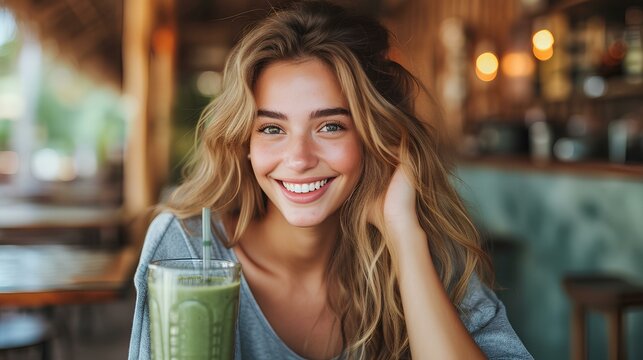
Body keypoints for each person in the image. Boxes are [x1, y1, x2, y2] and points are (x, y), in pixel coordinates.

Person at [128, 1, 532, 359]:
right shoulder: (184, 254)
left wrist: (406, 242)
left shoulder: (428, 251)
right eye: (272, 129)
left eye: (330, 127)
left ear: (376, 137)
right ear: (244, 142)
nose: (300, 159)